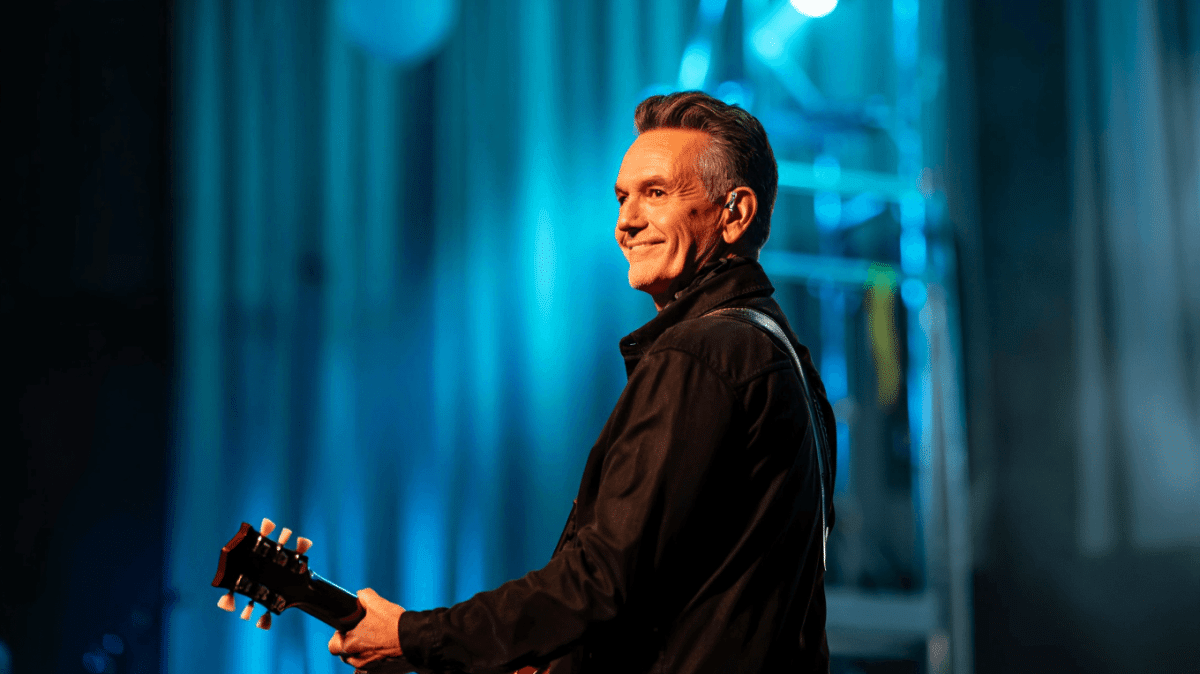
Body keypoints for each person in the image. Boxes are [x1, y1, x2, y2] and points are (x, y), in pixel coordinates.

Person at [328, 91, 836, 674]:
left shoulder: (701, 354)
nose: (626, 222)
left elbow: (600, 580)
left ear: (735, 213)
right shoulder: (789, 362)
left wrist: (414, 636)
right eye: (622, 197)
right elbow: (685, 594)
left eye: (656, 193)